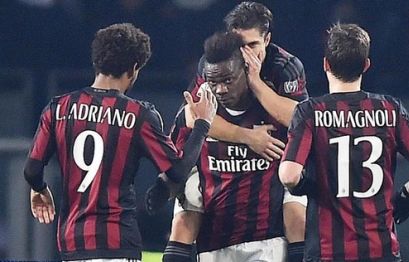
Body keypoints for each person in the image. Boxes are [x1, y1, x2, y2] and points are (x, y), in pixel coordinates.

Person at [23, 23, 217, 261]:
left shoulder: (58, 108)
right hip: (116, 243)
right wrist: (202, 125)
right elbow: (176, 171)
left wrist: (39, 188)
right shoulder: (138, 115)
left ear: (97, 61)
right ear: (135, 67)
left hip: (72, 244)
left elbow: (32, 170)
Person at [153, 2, 309, 261]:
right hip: (224, 153)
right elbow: (195, 116)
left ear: (267, 39)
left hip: (278, 160)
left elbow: (300, 119)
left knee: (294, 197)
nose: (245, 54)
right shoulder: (214, 64)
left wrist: (255, 82)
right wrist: (248, 137)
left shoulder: (285, 66)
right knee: (191, 192)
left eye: (252, 45)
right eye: (239, 45)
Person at [278, 23, 409, 261]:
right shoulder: (390, 109)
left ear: (326, 64)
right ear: (366, 65)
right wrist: (406, 194)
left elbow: (289, 175)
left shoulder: (311, 111)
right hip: (380, 250)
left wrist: (303, 186)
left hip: (327, 252)